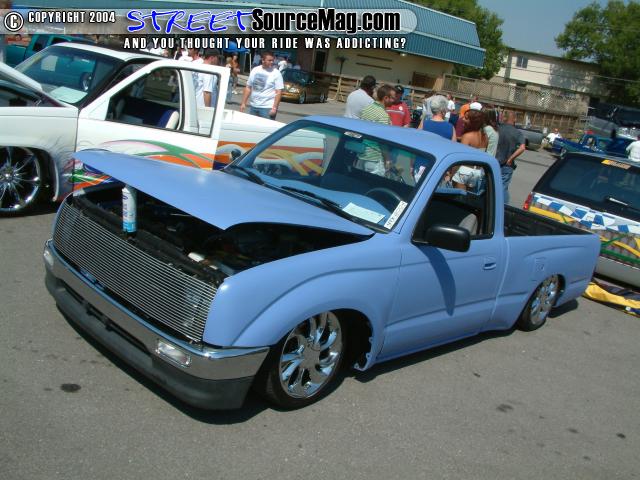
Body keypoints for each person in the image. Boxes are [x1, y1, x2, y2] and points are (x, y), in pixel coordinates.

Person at [357, 85, 397, 175]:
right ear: (386, 98)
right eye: (393, 98)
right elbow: (382, 141)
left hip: (362, 154)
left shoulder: (367, 108)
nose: (394, 101)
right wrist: (387, 159)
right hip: (375, 159)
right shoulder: (383, 116)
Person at [240, 50, 284, 119]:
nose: (272, 62)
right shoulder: (255, 70)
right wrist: (243, 103)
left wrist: (274, 108)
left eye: (272, 60)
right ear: (263, 60)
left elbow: (278, 92)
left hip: (267, 108)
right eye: (269, 60)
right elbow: (248, 87)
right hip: (253, 106)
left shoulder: (276, 73)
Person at [495, 110, 526, 204]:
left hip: (494, 162)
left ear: (504, 118)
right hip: (507, 164)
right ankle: (503, 207)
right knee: (503, 188)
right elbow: (522, 148)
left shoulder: (497, 128)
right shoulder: (517, 133)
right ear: (514, 119)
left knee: (490, 185)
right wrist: (511, 158)